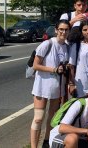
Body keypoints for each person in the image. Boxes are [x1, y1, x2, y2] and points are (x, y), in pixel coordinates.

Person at [30, 20, 70, 148]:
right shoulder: (47, 44)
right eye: (61, 29)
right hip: (42, 87)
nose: (63, 32)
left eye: (66, 30)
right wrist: (53, 69)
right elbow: (35, 65)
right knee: (38, 118)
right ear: (56, 30)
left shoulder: (67, 46)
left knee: (52, 118)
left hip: (57, 88)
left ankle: (46, 142)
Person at [49, 79, 88, 148]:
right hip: (59, 137)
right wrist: (86, 131)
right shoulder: (79, 104)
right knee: (73, 138)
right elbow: (62, 128)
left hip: (80, 138)